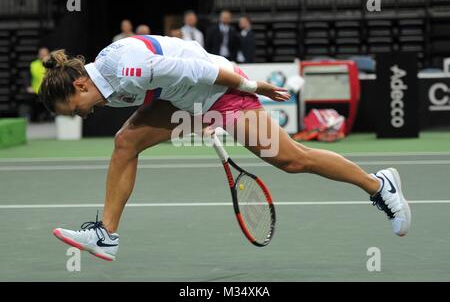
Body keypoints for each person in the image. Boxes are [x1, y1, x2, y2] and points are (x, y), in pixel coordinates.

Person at [40, 35, 411, 262]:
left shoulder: (129, 68)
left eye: (74, 109)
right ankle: (107, 235)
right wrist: (195, 115)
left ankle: (378, 185)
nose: (80, 115)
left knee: (291, 160)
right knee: (125, 143)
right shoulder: (109, 88)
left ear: (79, 86)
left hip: (224, 89)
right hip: (187, 99)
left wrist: (252, 86)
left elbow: (199, 70)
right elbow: (158, 93)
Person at [20, 47, 50, 121]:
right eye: (41, 54)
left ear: (49, 55)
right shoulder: (33, 65)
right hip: (36, 91)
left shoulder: (51, 64)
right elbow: (27, 78)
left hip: (49, 90)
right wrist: (28, 87)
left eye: (44, 54)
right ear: (38, 55)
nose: (43, 55)